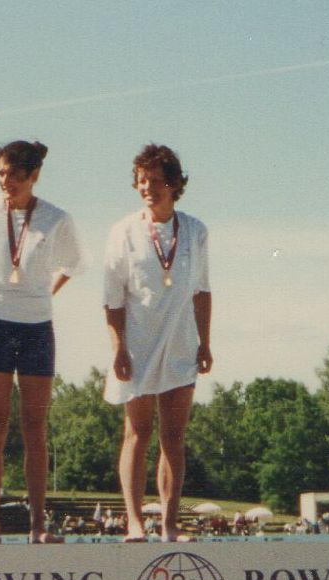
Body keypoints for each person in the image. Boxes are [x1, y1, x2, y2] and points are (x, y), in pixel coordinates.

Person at [0, 140, 89, 544]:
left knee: (35, 425)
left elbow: (75, 264)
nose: (6, 182)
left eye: (15, 175)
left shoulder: (56, 218)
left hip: (37, 325)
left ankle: (38, 525)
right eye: (1, 173)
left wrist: (44, 293)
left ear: (34, 175)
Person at [103, 144, 212, 543]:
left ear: (174, 184)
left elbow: (202, 291)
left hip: (181, 343)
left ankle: (169, 524)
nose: (148, 187)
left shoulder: (195, 230)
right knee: (137, 432)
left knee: (174, 437)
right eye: (142, 181)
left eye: (156, 180)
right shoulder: (123, 231)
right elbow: (112, 298)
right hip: (138, 344)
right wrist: (118, 347)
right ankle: (134, 522)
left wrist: (205, 342)